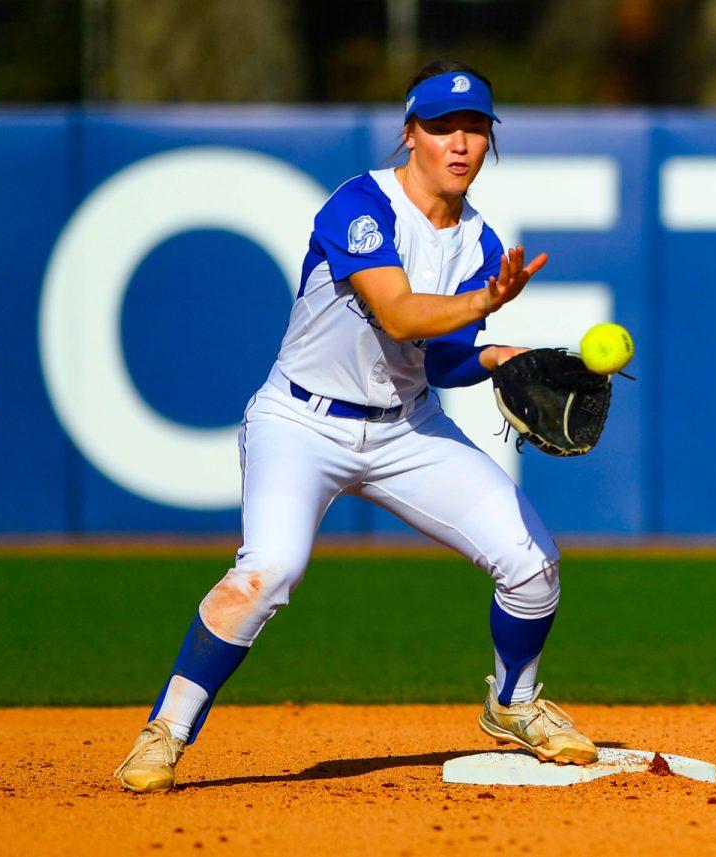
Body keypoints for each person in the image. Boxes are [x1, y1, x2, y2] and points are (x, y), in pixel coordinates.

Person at [114, 60, 598, 794]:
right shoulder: (360, 205)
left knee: (534, 566)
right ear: (410, 134)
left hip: (407, 427)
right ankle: (165, 731)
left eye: (474, 129)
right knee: (267, 571)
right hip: (300, 423)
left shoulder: (478, 242)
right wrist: (485, 306)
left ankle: (514, 703)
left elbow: (436, 359)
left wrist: (501, 353)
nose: (459, 143)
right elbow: (401, 312)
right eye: (441, 127)